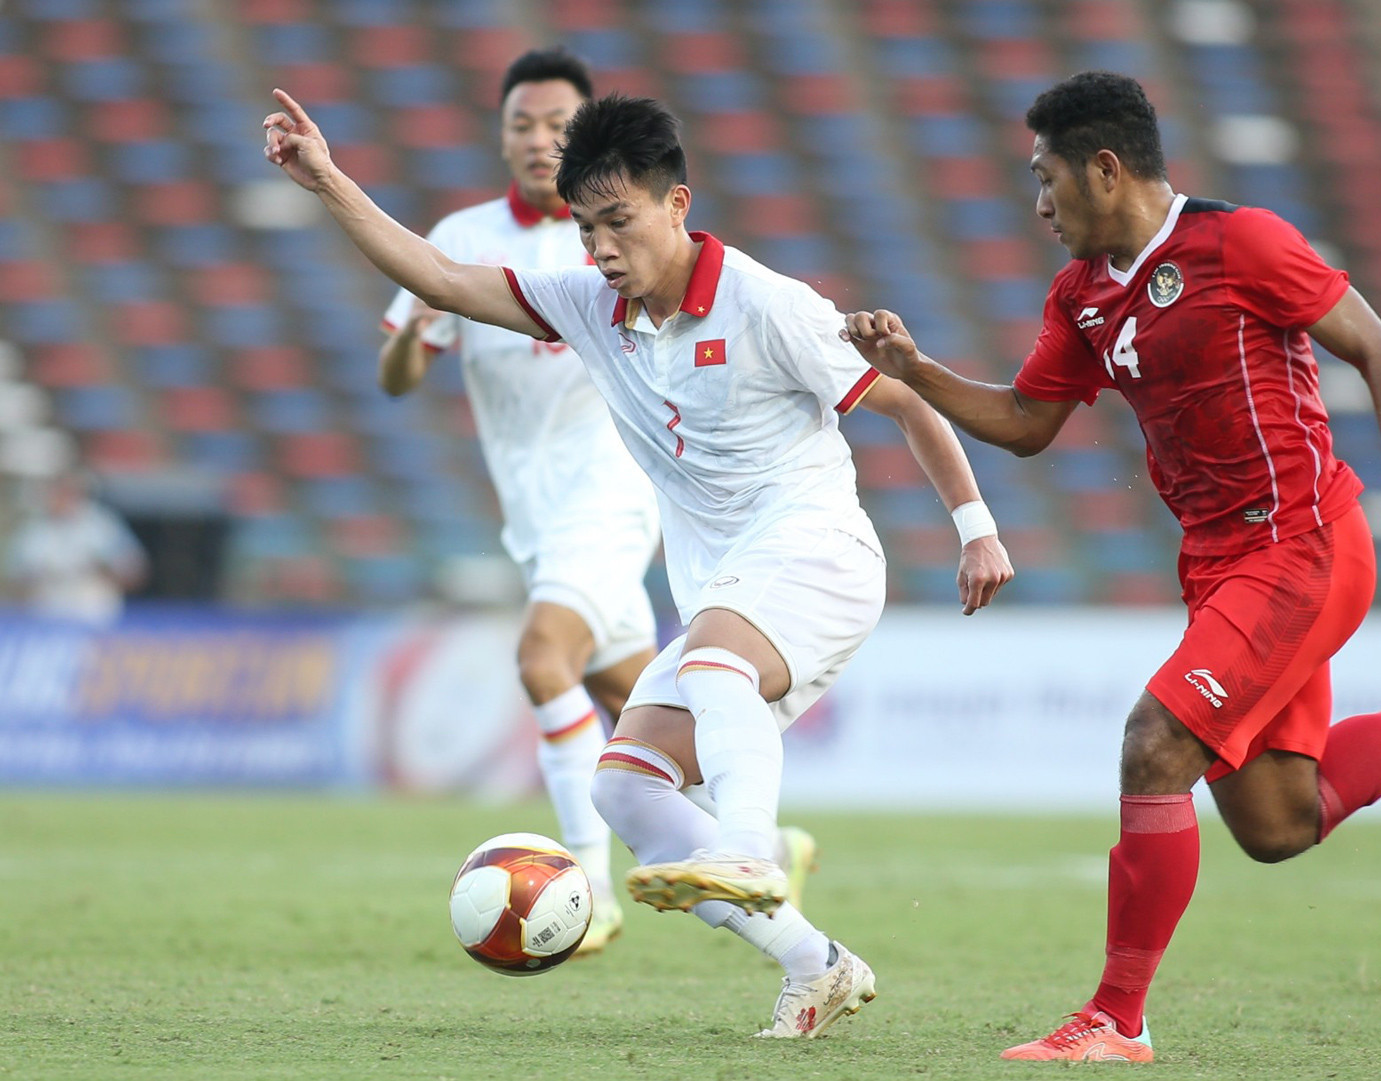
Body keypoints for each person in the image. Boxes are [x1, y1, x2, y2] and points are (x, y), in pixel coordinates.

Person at [841, 71, 1381, 1063]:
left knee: (1155, 744)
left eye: (1047, 179)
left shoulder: (1241, 243)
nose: (1038, 203)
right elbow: (1027, 424)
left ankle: (1116, 1017)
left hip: (1303, 544)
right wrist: (918, 371)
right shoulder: (1079, 297)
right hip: (1221, 563)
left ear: (1105, 170)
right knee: (1279, 821)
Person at [264, 87, 1013, 1037]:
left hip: (817, 552)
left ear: (677, 204)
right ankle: (814, 963)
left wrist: (976, 526)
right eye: (586, 227)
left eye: (619, 221)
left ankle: (748, 845)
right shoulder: (589, 306)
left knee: (711, 658)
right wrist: (325, 179)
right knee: (624, 786)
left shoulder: (766, 302)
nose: (602, 248)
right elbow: (446, 281)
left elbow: (906, 402)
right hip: (727, 588)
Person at [376, 49, 820, 955]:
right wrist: (415, 333)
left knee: (543, 659)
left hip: (612, 496)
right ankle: (770, 847)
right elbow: (396, 375)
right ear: (501, 136)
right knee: (628, 714)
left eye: (557, 126)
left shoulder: (620, 250)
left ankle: (583, 888)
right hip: (536, 518)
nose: (539, 140)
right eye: (522, 125)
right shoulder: (460, 240)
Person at [5, 470, 147, 625]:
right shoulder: (33, 531)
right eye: (57, 492)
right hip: (45, 621)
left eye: (68, 492)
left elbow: (136, 573)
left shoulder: (101, 526)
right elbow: (12, 582)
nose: (61, 498)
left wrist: (103, 568)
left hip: (95, 619)